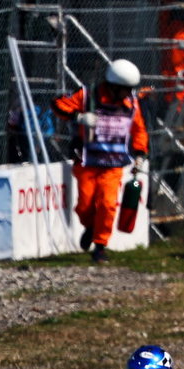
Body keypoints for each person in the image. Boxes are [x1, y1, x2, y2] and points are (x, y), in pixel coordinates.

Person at [52, 59, 149, 265]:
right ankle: (91, 227)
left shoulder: (132, 104)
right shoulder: (87, 96)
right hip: (87, 162)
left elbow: (139, 130)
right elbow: (58, 104)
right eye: (125, 89)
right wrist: (79, 117)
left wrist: (140, 154)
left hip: (113, 166)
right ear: (114, 86)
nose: (129, 93)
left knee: (107, 204)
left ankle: (100, 246)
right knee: (85, 205)